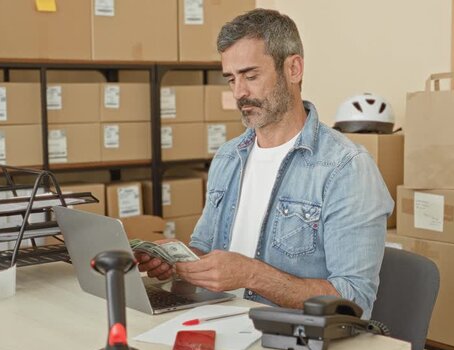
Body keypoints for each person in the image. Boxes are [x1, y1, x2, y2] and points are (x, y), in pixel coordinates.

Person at [136, 8, 393, 319]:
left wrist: (252, 275)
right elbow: (204, 248)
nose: (239, 93)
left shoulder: (346, 167)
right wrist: (178, 260)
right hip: (220, 321)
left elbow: (355, 300)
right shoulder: (228, 157)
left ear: (294, 68)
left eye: (251, 75)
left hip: (288, 339)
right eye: (231, 79)